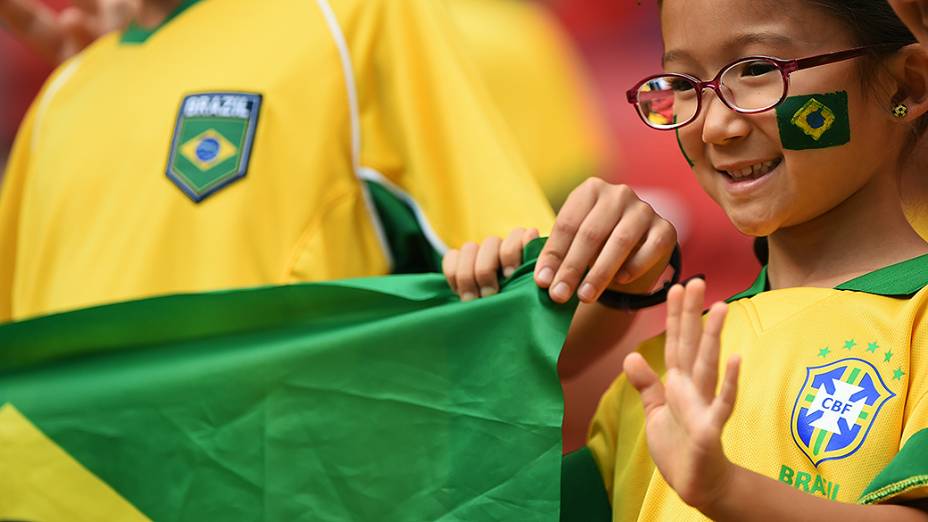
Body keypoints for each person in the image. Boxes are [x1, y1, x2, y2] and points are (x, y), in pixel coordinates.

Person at [447, 0, 928, 519]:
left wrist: (729, 493)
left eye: (757, 70)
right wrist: (495, 322)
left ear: (907, 85)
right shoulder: (664, 372)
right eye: (681, 86)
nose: (716, 126)